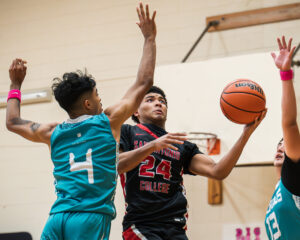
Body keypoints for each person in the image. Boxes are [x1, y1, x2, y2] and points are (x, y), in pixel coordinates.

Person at [6, 3, 158, 239]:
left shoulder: (51, 131)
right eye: (97, 94)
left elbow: (12, 122)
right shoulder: (107, 121)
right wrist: (149, 38)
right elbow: (144, 82)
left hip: (57, 219)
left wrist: (15, 84)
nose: (100, 99)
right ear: (88, 103)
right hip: (90, 217)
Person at [118, 85, 267, 240]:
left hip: (175, 227)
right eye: (150, 100)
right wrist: (153, 145)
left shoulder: (181, 144)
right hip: (142, 225)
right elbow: (117, 165)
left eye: (162, 101)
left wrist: (246, 133)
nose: (158, 103)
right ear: (136, 111)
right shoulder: (128, 132)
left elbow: (218, 171)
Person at [265, 36, 300, 240]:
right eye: (278, 145)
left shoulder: (295, 176)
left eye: (285, 144)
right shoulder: (279, 188)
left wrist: (285, 75)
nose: (281, 148)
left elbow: (290, 124)